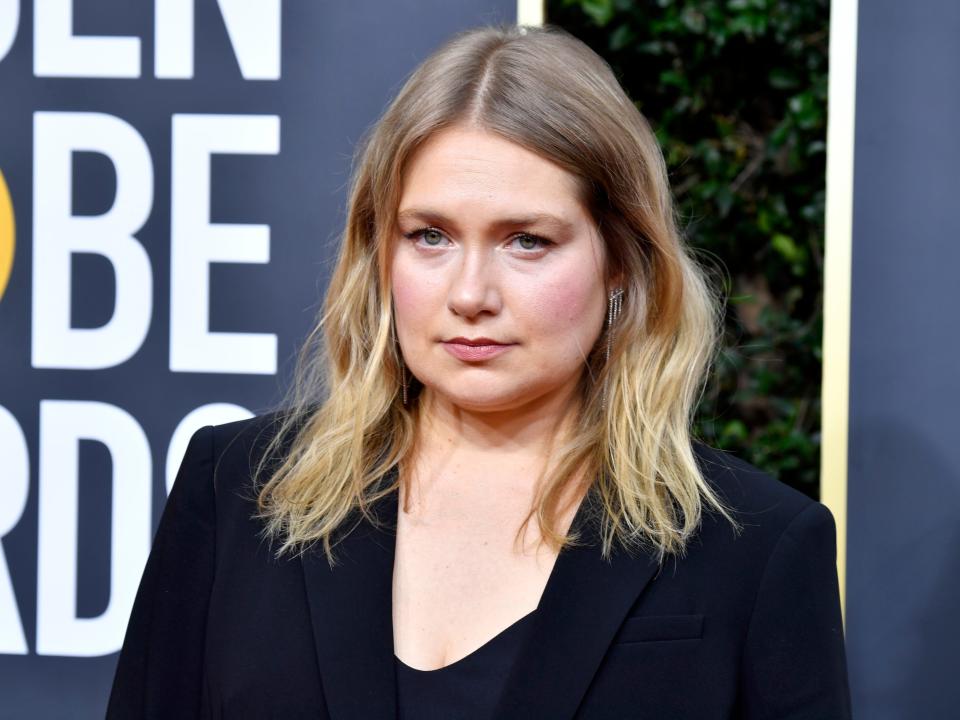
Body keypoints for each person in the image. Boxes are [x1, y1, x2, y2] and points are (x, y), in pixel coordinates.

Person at [107, 24, 851, 720]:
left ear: (622, 261)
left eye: (526, 241)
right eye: (429, 236)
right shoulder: (237, 486)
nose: (469, 295)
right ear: (381, 252)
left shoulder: (754, 548)